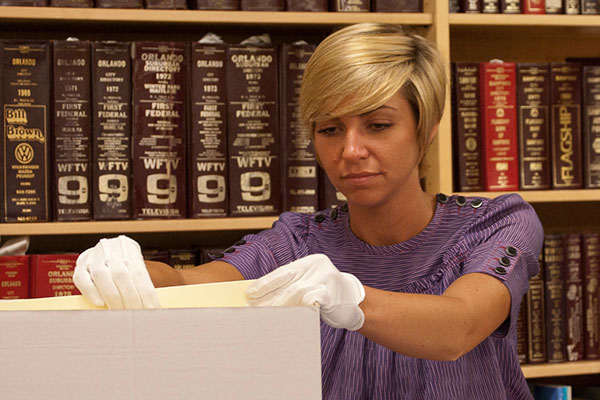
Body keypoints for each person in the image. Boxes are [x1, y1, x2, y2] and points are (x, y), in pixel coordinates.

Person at [74, 22, 544, 399]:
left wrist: (353, 298)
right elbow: (189, 283)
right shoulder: (298, 240)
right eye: (330, 129)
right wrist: (126, 265)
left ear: (427, 129)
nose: (352, 150)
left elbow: (458, 326)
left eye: (378, 125)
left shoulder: (495, 223)